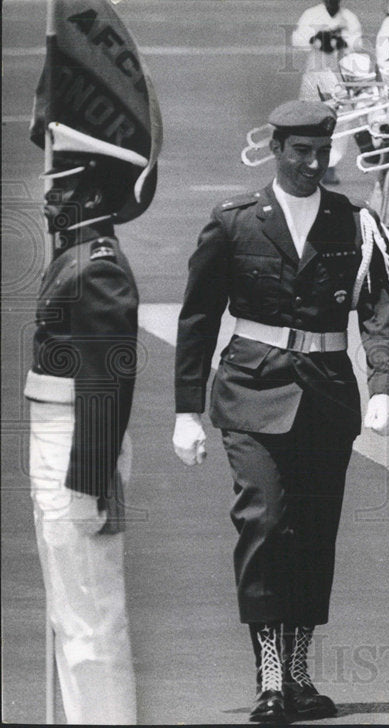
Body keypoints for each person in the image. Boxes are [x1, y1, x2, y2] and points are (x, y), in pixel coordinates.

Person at [171, 100, 389, 723]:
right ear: (276, 149)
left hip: (326, 395)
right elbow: (197, 319)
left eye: (321, 153)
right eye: (299, 152)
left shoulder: (353, 222)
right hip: (251, 391)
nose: (311, 164)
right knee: (265, 523)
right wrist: (185, 410)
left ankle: (299, 672)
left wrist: (383, 384)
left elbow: (380, 312)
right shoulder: (236, 221)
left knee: (314, 534)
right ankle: (269, 676)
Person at [24, 123, 147, 725]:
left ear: (92, 191)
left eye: (60, 183)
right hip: (57, 431)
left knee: (90, 619)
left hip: (76, 443)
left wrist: (90, 483)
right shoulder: (74, 257)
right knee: (70, 609)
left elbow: (107, 385)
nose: (47, 195)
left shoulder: (94, 267)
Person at [291, 0, 364, 185]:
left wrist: (341, 40)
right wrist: (316, 37)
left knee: (339, 120)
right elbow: (297, 39)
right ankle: (309, 163)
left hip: (339, 74)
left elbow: (358, 43)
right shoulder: (311, 14)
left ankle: (330, 165)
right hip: (315, 72)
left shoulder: (349, 18)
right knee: (311, 117)